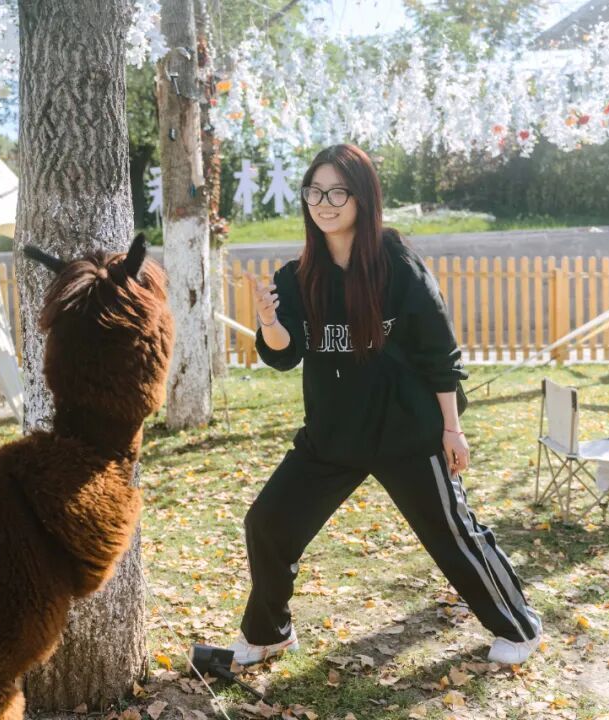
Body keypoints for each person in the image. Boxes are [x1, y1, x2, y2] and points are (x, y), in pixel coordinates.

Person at [231, 144, 541, 667]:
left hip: (407, 433)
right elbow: (284, 355)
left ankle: (519, 626)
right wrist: (268, 322)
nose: (324, 203)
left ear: (362, 197)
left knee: (453, 535)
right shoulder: (297, 276)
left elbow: (439, 351)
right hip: (333, 436)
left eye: (337, 192)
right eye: (314, 192)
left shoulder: (396, 263)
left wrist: (451, 429)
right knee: (268, 523)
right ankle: (270, 632)